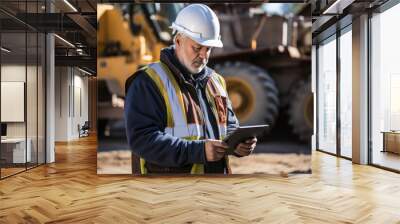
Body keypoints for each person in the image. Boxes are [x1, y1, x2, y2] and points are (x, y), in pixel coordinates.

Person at [124, 4, 257, 174]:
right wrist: (198, 151)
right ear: (178, 40)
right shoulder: (148, 82)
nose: (203, 55)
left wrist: (238, 145)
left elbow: (229, 126)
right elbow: (142, 140)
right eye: (197, 47)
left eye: (208, 49)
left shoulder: (217, 82)